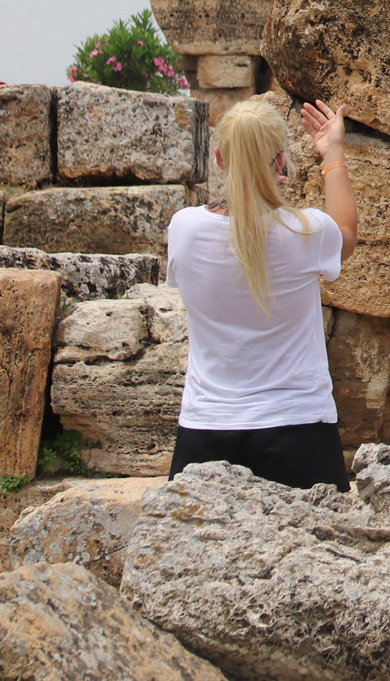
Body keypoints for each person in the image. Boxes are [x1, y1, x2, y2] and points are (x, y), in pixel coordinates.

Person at [164, 97, 358, 491]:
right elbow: (347, 235)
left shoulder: (183, 229)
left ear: (219, 157)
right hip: (298, 426)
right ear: (280, 162)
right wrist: (333, 153)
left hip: (207, 426)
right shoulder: (306, 232)